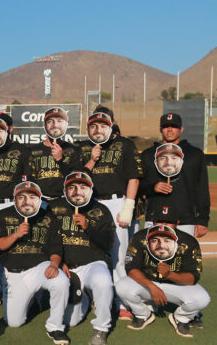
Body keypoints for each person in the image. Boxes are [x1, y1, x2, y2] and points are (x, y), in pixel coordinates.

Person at [76, 111, 142, 320]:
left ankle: (122, 303)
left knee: (118, 257)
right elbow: (74, 179)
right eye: (93, 126)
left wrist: (128, 207)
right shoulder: (82, 147)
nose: (98, 130)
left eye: (102, 125)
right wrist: (92, 160)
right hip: (90, 204)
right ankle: (97, 297)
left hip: (116, 202)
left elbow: (134, 178)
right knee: (92, 253)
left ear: (111, 126)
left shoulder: (125, 144)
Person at [0, 181, 70, 345]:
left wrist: (54, 264)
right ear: (14, 200)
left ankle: (55, 326)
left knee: (61, 281)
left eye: (31, 197)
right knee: (14, 322)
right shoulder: (3, 215)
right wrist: (16, 234)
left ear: (38, 200)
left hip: (39, 269)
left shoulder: (48, 218)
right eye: (21, 197)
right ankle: (36, 301)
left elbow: (56, 248)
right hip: (13, 273)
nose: (26, 201)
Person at [48, 171, 115, 345]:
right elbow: (47, 240)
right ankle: (85, 297)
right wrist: (59, 261)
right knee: (71, 321)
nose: (77, 191)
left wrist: (88, 227)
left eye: (83, 187)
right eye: (72, 187)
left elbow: (108, 244)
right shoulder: (54, 207)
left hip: (92, 263)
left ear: (91, 190)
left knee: (103, 281)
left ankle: (101, 328)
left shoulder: (101, 210)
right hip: (66, 267)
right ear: (65, 190)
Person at [115, 224, 209, 338]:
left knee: (202, 298)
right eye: (155, 240)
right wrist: (152, 287)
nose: (161, 244)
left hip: (176, 286)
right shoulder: (140, 237)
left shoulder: (188, 242)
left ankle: (180, 318)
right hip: (149, 284)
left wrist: (170, 274)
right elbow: (130, 268)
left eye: (167, 240)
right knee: (122, 285)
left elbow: (194, 277)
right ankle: (143, 315)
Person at [140, 113, 209, 238]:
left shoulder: (195, 154)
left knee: (183, 256)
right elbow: (138, 185)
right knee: (153, 255)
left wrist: (203, 219)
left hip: (185, 219)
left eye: (174, 126)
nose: (170, 129)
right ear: (160, 129)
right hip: (154, 217)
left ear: (181, 129)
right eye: (166, 126)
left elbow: (202, 188)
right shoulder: (147, 155)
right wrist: (153, 187)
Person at [29, 108, 80, 201]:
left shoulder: (73, 150)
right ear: (44, 126)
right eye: (50, 121)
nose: (55, 125)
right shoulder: (32, 151)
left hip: (65, 200)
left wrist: (61, 160)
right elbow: (28, 179)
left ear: (66, 125)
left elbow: (76, 179)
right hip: (41, 202)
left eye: (59, 121)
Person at [0, 114, 30, 211]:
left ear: (10, 129)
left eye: (0, 130)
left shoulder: (23, 150)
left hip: (11, 204)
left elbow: (27, 180)